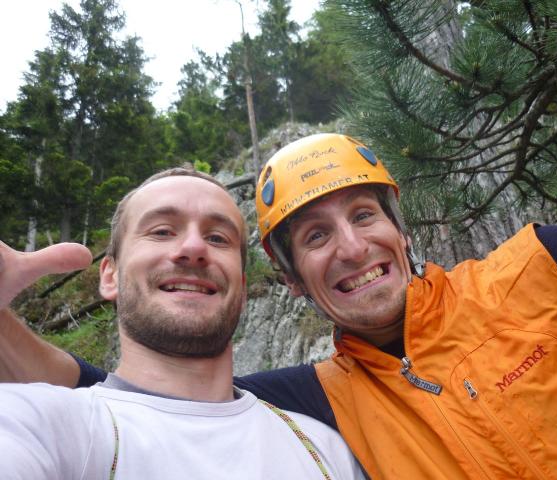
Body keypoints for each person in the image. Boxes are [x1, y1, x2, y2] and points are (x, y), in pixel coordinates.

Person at [2, 134, 557, 478]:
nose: (353, 248)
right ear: (292, 281)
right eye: (315, 237)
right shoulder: (316, 405)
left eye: (363, 215)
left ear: (401, 231)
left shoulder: (548, 265)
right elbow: (141, 396)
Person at [0, 167, 364, 479]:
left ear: (242, 285)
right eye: (161, 231)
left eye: (217, 238)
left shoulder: (325, 449)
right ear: (109, 276)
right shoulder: (44, 426)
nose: (193, 248)